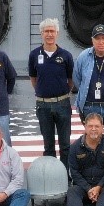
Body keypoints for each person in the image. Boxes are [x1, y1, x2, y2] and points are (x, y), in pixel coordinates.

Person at [28, 18, 74, 160]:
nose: (49, 34)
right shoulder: (34, 55)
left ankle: (66, 175)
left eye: (52, 31)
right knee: (48, 146)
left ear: (57, 34)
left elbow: (71, 80)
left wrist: (61, 92)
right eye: (46, 31)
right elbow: (33, 79)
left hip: (62, 104)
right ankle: (52, 176)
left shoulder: (66, 55)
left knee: (65, 144)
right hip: (43, 105)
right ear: (41, 34)